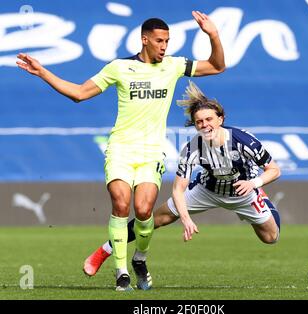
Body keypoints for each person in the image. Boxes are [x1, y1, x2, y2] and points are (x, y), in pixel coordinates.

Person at [17, 11, 225, 292]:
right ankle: (121, 271)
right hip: (120, 149)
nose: (165, 46)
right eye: (160, 41)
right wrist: (42, 72)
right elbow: (79, 93)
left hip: (152, 152)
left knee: (143, 209)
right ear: (145, 40)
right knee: (120, 203)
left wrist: (212, 34)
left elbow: (216, 66)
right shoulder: (119, 67)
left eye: (167, 41)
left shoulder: (173, 66)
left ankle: (140, 258)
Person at [83, 81, 281, 285]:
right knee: (155, 218)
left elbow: (274, 170)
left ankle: (263, 199)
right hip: (207, 190)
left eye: (209, 119)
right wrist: (185, 218)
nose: (205, 125)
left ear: (221, 119)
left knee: (271, 238)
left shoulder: (243, 141)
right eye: (199, 122)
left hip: (245, 192)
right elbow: (178, 189)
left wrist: (255, 183)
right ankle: (107, 253)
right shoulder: (192, 148)